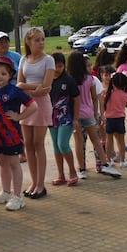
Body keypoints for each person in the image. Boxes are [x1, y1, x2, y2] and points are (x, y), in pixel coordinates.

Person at [0, 56, 38, 211]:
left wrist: (19, 117)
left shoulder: (14, 91)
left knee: (13, 163)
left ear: (10, 75)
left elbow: (33, 106)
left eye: (3, 74)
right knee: (2, 163)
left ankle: (18, 197)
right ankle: (6, 192)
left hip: (11, 136)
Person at [67, 52, 121, 178]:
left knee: (79, 142)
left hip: (75, 115)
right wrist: (96, 113)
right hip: (88, 113)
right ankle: (105, 164)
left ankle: (81, 169)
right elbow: (94, 98)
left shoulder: (70, 80)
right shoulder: (89, 79)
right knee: (96, 140)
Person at [16, 27, 54, 199]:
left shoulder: (49, 60)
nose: (41, 43)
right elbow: (19, 84)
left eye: (42, 39)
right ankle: (33, 181)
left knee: (38, 144)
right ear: (29, 42)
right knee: (28, 144)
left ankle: (41, 184)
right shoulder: (24, 59)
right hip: (26, 105)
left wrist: (27, 87)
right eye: (37, 40)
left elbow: (45, 88)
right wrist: (32, 88)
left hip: (41, 106)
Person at [48, 52, 80, 187]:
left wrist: (75, 119)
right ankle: (61, 175)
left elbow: (76, 99)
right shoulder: (47, 79)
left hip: (66, 117)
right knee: (56, 146)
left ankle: (72, 172)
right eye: (54, 66)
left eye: (60, 66)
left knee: (63, 144)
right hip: (51, 117)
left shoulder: (69, 80)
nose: (57, 69)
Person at [101, 71, 127, 168]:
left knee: (109, 141)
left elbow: (103, 104)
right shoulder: (125, 95)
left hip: (109, 119)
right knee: (121, 141)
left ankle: (108, 160)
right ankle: (122, 160)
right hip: (119, 119)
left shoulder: (107, 94)